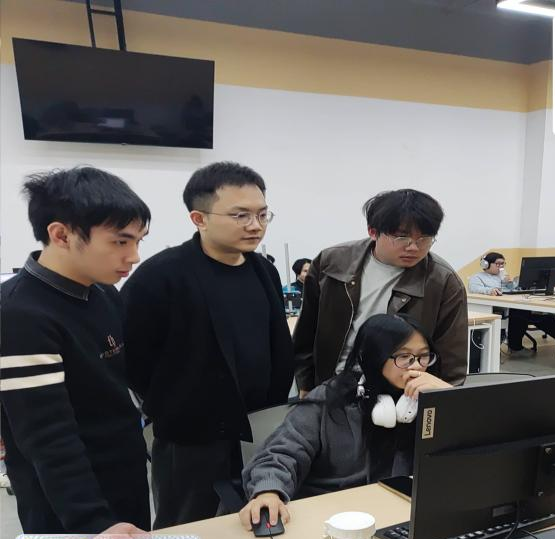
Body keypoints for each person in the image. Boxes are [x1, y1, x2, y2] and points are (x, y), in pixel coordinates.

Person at [121, 161, 294, 527]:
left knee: (257, 519)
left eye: (263, 214)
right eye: (240, 215)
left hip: (259, 426)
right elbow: (133, 359)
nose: (255, 225)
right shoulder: (161, 276)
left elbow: (276, 345)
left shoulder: (264, 270)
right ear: (198, 218)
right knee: (186, 524)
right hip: (190, 436)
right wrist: (173, 402)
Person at [0, 167, 151, 535]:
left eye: (138, 241)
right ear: (61, 234)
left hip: (123, 476)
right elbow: (47, 437)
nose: (133, 256)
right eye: (120, 242)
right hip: (68, 502)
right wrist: (94, 523)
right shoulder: (20, 313)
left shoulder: (102, 292)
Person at [239, 314, 452, 531]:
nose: (416, 367)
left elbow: (463, 457)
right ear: (374, 357)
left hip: (398, 515)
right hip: (330, 519)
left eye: (423, 357)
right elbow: (282, 452)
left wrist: (450, 399)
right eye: (404, 357)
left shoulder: (426, 401)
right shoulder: (329, 400)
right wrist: (268, 491)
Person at [294, 189, 468, 398]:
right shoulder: (331, 263)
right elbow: (307, 332)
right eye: (402, 237)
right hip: (332, 385)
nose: (414, 247)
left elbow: (452, 361)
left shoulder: (443, 281)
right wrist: (306, 385)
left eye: (424, 238)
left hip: (401, 396)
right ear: (373, 231)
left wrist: (440, 401)